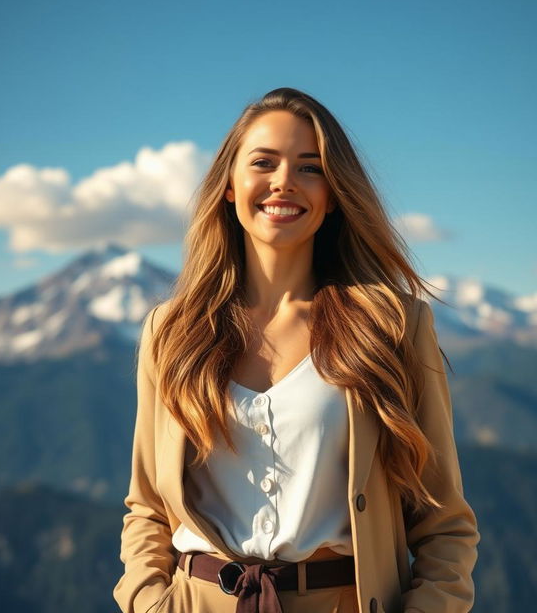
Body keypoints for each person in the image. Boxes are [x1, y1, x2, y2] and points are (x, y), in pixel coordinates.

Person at [113, 87, 480, 613]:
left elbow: (445, 522)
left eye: (311, 167)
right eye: (264, 162)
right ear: (229, 186)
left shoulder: (391, 326)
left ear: (332, 194)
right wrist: (148, 602)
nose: (284, 181)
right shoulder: (171, 331)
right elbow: (147, 506)